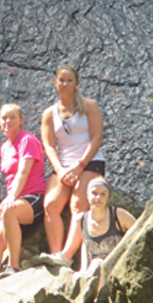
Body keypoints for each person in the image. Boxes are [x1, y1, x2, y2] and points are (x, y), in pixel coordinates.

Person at [39, 65, 105, 267]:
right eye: (61, 80)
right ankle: (55, 255)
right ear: (55, 83)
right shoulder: (49, 114)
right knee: (50, 205)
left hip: (89, 162)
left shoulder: (89, 106)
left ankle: (67, 256)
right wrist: (60, 170)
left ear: (76, 83)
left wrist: (80, 166)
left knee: (77, 204)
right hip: (63, 165)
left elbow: (96, 139)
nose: (65, 84)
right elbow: (49, 145)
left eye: (69, 80)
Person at [0, 104, 47, 288]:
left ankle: (13, 267)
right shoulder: (5, 147)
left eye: (12, 117)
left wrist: (11, 197)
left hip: (34, 197)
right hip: (15, 200)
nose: (8, 121)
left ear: (21, 120)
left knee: (9, 210)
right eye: (4, 118)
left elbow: (23, 172)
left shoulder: (27, 140)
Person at [49, 178, 135, 287]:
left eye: (103, 194)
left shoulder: (119, 215)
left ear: (108, 197)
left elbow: (140, 233)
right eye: (94, 193)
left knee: (97, 263)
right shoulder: (80, 219)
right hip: (95, 271)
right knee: (95, 264)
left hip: (120, 267)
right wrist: (83, 269)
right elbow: (85, 244)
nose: (98, 198)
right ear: (87, 195)